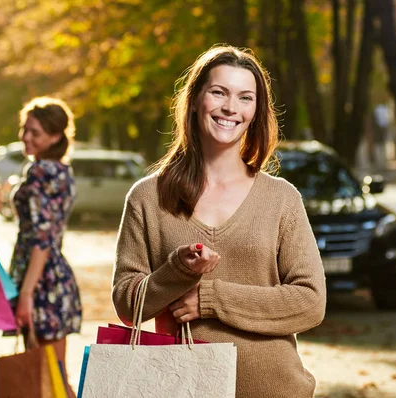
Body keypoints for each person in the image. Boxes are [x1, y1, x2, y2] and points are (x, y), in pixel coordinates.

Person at [111, 44, 327, 397]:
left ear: (256, 112)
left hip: (275, 390)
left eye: (246, 97)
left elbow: (310, 302)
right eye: (218, 92)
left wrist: (210, 299)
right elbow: (127, 305)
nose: (231, 107)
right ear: (195, 100)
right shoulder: (147, 197)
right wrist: (176, 272)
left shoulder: (281, 198)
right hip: (179, 388)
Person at [10, 96, 82, 398]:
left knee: (46, 377)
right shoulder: (61, 171)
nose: (26, 137)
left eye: (35, 132)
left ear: (54, 137)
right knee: (55, 375)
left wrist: (26, 294)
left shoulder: (39, 172)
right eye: (25, 129)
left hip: (40, 282)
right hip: (54, 277)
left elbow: (42, 238)